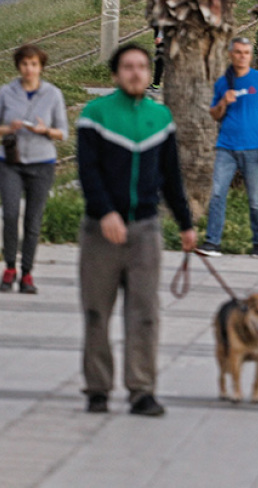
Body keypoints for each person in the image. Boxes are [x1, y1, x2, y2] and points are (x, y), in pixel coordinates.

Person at [77, 44, 195, 416]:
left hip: (145, 230)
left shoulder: (160, 119)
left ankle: (141, 389)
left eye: (142, 67)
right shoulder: (95, 115)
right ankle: (97, 388)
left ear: (149, 73)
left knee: (144, 313)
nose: (135, 73)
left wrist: (186, 223)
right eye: (128, 67)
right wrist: (105, 212)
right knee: (97, 311)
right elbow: (88, 171)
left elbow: (172, 177)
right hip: (101, 231)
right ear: (115, 74)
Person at [0, 45, 68, 294]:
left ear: (40, 67)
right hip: (10, 162)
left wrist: (45, 130)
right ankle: (10, 267)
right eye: (24, 64)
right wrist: (9, 127)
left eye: (33, 64)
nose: (29, 69)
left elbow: (62, 133)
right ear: (18, 67)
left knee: (33, 220)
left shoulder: (53, 94)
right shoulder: (6, 92)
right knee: (10, 214)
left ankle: (28, 272)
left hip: (42, 163)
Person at [198, 38, 258, 258]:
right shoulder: (223, 82)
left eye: (246, 52)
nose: (242, 56)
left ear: (250, 56)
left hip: (254, 148)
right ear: (231, 54)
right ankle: (212, 242)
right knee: (216, 194)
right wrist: (223, 101)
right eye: (238, 52)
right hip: (226, 146)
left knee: (255, 201)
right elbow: (214, 114)